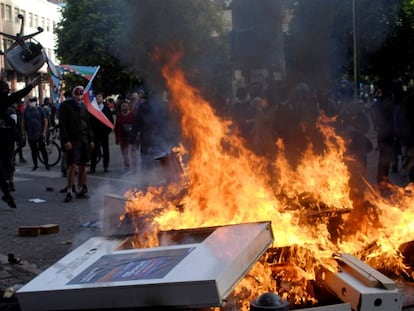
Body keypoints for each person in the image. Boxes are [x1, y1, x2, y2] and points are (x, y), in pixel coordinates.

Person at [0, 76, 39, 208]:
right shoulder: (4, 102)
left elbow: (15, 97)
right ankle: (7, 194)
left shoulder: (4, 104)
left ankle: (7, 194)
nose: (6, 93)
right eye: (4, 91)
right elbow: (15, 96)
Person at [59, 86, 94, 203]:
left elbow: (88, 124)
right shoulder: (65, 106)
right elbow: (62, 125)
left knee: (83, 165)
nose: (79, 97)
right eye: (77, 94)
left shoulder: (84, 107)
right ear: (73, 95)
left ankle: (80, 188)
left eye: (80, 95)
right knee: (72, 166)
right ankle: (69, 190)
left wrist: (91, 139)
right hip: (72, 139)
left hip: (84, 139)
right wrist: (66, 140)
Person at [89, 92, 114, 173]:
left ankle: (105, 166)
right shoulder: (93, 109)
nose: (97, 98)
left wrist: (108, 130)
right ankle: (92, 167)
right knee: (94, 150)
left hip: (104, 133)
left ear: (103, 98)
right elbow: (90, 120)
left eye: (99, 96)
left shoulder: (106, 108)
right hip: (95, 133)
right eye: (96, 96)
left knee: (105, 149)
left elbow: (110, 120)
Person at [22, 96, 49, 171]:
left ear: (36, 101)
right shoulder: (26, 110)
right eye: (31, 101)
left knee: (43, 149)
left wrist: (44, 132)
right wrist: (23, 133)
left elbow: (45, 120)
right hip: (31, 134)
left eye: (33, 101)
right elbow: (23, 122)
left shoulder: (40, 109)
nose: (32, 102)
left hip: (40, 133)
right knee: (33, 151)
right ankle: (35, 165)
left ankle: (46, 164)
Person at [114, 100, 137, 172]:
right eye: (122, 106)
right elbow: (116, 127)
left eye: (125, 106)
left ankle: (134, 168)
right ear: (120, 108)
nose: (124, 107)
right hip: (122, 138)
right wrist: (117, 138)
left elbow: (136, 126)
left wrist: (136, 136)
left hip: (132, 138)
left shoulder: (132, 115)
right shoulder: (119, 116)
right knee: (125, 154)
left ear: (128, 106)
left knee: (133, 154)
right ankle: (127, 167)